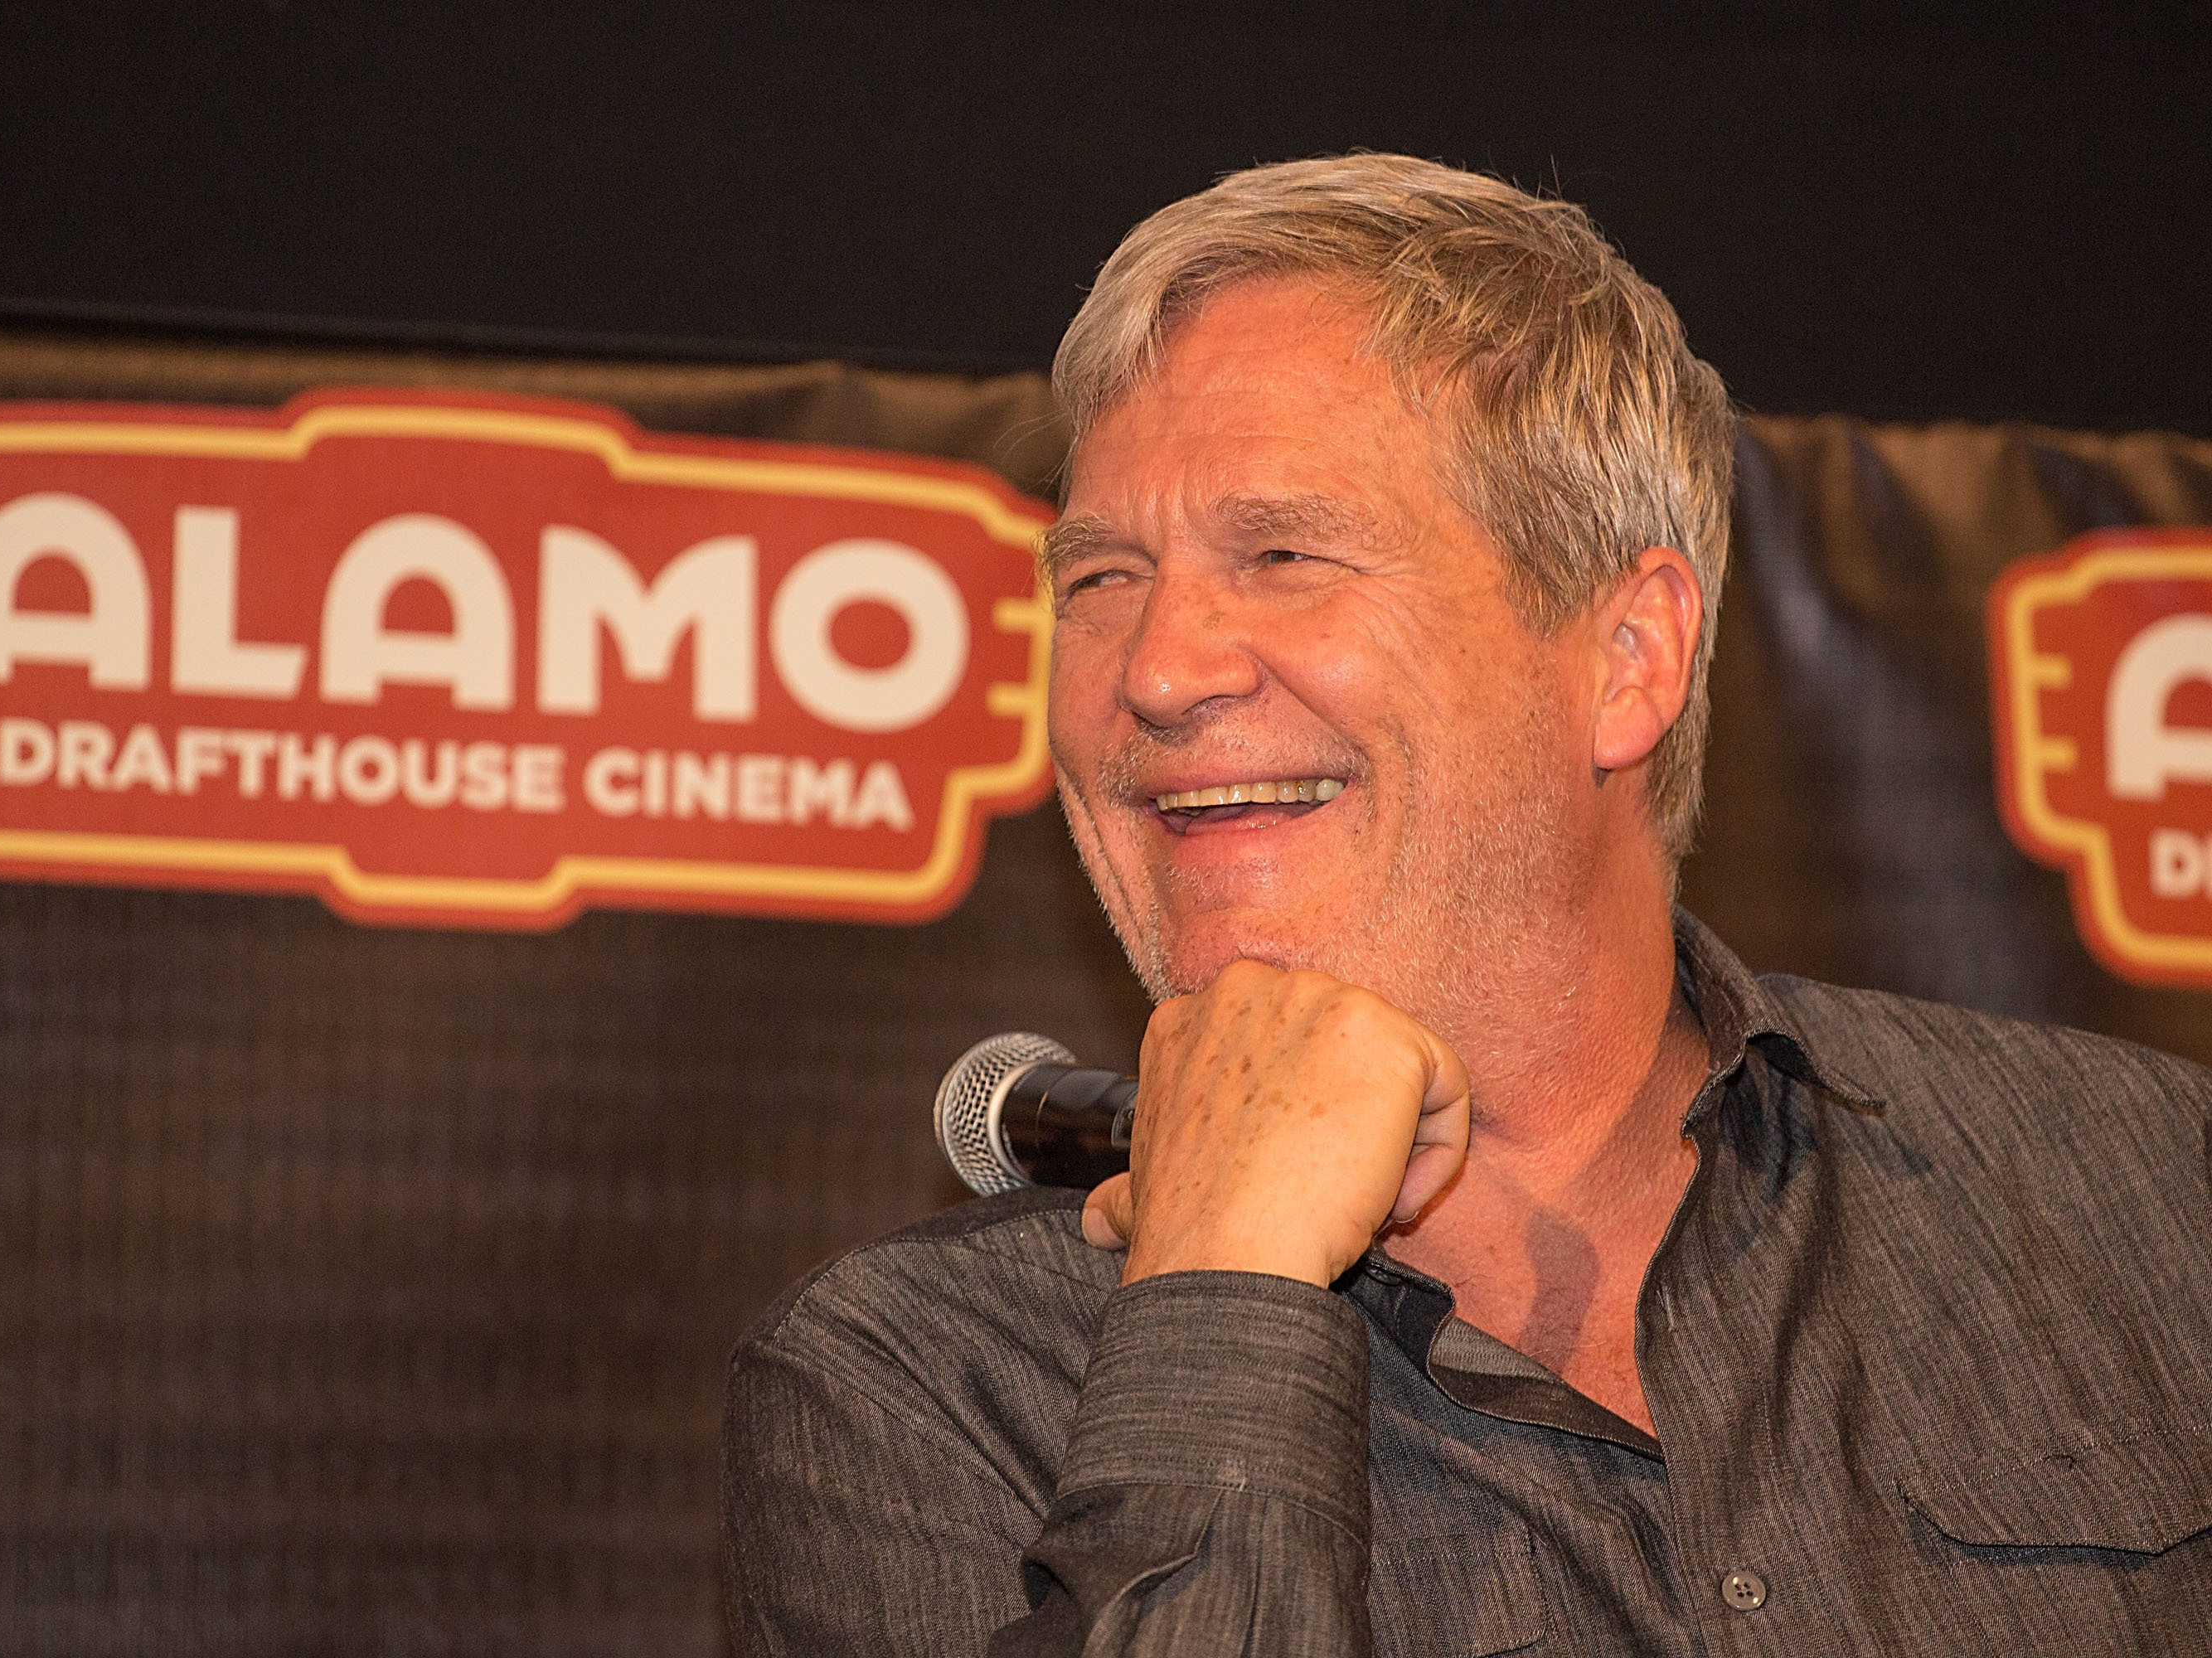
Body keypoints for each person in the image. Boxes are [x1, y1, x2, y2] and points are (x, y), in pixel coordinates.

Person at [721, 155, 2212, 1655]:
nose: (1158, 670)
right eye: (1101, 577)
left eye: (1283, 554)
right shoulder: (920, 1386)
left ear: (1629, 656)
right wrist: (1229, 1288)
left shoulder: (2148, 1193)